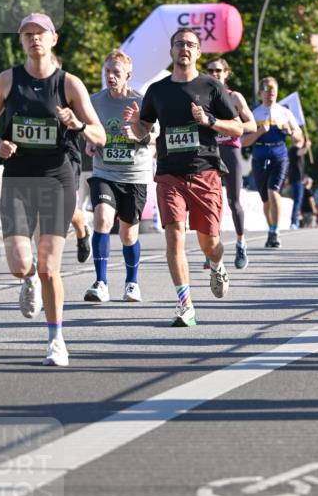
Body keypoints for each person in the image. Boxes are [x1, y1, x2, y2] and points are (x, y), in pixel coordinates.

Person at [0, 13, 105, 367]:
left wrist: (77, 124)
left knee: (50, 266)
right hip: (18, 179)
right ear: (21, 41)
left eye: (40, 33)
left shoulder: (69, 84)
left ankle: (56, 339)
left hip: (57, 177)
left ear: (54, 39)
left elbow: (101, 135)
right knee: (22, 266)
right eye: (27, 34)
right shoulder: (7, 80)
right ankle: (28, 279)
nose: (34, 39)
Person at [123, 27, 243, 327]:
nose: (184, 49)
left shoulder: (212, 86)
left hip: (205, 171)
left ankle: (216, 264)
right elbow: (144, 129)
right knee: (174, 236)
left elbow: (239, 128)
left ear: (198, 52)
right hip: (168, 173)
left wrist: (210, 120)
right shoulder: (158, 90)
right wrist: (135, 127)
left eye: (190, 44)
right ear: (171, 51)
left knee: (209, 242)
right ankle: (185, 305)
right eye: (179, 44)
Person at [84, 50, 154, 303]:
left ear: (128, 75)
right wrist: (90, 142)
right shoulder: (95, 101)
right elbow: (88, 129)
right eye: (107, 72)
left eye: (116, 72)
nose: (111, 77)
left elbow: (153, 136)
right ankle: (100, 282)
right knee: (102, 219)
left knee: (128, 234)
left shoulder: (142, 101)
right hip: (105, 171)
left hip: (134, 174)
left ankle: (132, 283)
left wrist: (136, 129)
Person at [203, 56, 256, 268]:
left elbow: (251, 124)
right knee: (209, 203)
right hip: (209, 152)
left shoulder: (235, 97)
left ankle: (241, 243)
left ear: (226, 73)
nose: (214, 74)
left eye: (218, 70)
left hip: (230, 150)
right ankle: (211, 248)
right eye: (210, 70)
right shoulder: (202, 96)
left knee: (234, 201)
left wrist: (229, 127)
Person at [242, 77, 303, 248]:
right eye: (267, 91)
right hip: (259, 156)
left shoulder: (285, 112)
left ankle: (275, 232)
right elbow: (243, 141)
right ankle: (271, 228)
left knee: (273, 191)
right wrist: (259, 132)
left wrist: (291, 131)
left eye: (273, 91)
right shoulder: (254, 113)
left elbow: (300, 139)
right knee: (266, 200)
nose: (271, 94)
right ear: (261, 93)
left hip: (279, 155)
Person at [50, 54, 91, 263]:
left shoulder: (70, 88)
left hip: (67, 155)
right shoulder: (28, 88)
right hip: (36, 158)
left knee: (65, 207)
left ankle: (81, 229)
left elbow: (92, 126)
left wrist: (76, 122)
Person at [287, 133, 310, 229]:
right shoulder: (294, 149)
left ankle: (295, 220)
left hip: (296, 178)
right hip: (296, 179)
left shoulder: (293, 150)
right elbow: (300, 152)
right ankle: (293, 221)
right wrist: (307, 147)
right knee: (298, 200)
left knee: (298, 200)